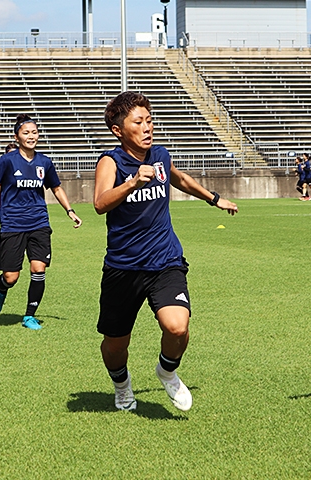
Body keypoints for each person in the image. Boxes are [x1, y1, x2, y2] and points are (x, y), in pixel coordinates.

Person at [94, 92, 238, 412]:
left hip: (164, 260)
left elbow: (181, 180)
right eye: (138, 122)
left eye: (149, 120)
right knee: (116, 345)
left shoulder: (159, 155)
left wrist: (215, 199)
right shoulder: (111, 162)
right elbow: (100, 203)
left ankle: (167, 371)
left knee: (177, 326)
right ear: (119, 130)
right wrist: (131, 182)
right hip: (123, 267)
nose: (148, 127)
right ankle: (122, 385)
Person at [0, 114, 82, 330]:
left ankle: (30, 315)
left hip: (39, 222)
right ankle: (1, 290)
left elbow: (56, 187)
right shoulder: (7, 161)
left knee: (38, 269)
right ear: (17, 136)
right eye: (26, 132)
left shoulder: (44, 162)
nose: (31, 136)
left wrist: (70, 210)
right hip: (12, 224)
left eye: (35, 132)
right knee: (11, 277)